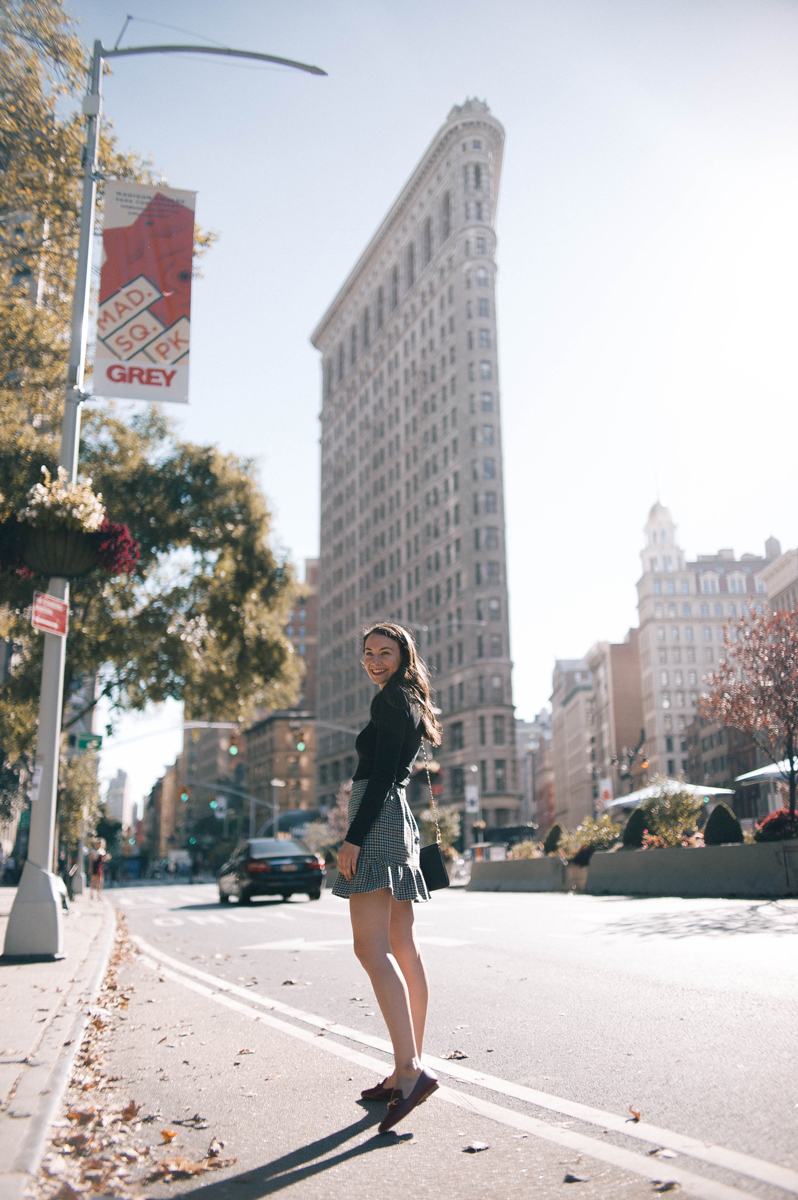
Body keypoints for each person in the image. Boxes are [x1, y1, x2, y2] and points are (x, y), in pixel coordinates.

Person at [334, 622, 442, 1134]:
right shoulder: (409, 698)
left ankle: (411, 1069)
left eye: (385, 652)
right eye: (369, 653)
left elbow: (377, 777)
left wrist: (352, 838)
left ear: (404, 654)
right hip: (397, 817)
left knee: (370, 948)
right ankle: (405, 1069)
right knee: (403, 944)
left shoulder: (389, 702)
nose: (375, 660)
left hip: (376, 818)